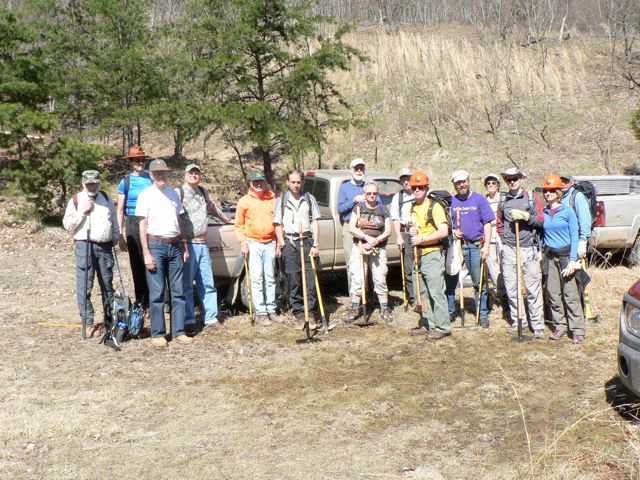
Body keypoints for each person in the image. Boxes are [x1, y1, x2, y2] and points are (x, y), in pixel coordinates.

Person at [136, 159, 192, 347]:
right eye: (157, 173)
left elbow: (179, 220)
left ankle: (179, 331)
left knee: (178, 292)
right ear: (151, 175)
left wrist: (184, 245)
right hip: (156, 245)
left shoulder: (174, 194)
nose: (160, 176)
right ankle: (158, 333)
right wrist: (146, 253)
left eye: (163, 172)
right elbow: (142, 225)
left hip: (175, 245)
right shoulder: (145, 195)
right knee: (157, 292)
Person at [178, 164, 232, 334]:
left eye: (197, 173)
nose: (194, 175)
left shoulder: (202, 191)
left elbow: (212, 208)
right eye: (191, 172)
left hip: (202, 243)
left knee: (208, 283)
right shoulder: (178, 193)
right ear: (185, 174)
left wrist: (226, 219)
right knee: (186, 285)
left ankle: (210, 318)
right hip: (188, 243)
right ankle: (189, 320)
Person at [273, 170, 330, 330]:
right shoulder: (282, 200)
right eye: (293, 182)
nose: (296, 185)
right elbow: (277, 224)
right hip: (290, 243)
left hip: (307, 241)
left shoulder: (309, 199)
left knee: (310, 280)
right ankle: (298, 313)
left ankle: (310, 313)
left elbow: (315, 222)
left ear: (302, 183)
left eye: (298, 182)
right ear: (288, 182)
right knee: (294, 280)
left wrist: (316, 244)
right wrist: (282, 242)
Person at [63, 170, 119, 332]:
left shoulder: (106, 198)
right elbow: (68, 226)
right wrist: (82, 212)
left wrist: (116, 235)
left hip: (105, 246)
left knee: (107, 285)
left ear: (99, 182)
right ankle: (88, 322)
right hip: (84, 246)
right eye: (89, 184)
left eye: (94, 183)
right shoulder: (76, 200)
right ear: (83, 184)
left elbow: (113, 219)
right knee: (85, 286)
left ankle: (109, 322)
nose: (92, 186)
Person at [496, 167, 545, 337]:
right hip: (510, 248)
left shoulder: (532, 198)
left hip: (529, 248)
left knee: (533, 288)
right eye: (508, 179)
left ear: (520, 179)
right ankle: (519, 321)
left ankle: (537, 326)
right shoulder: (503, 200)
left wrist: (526, 217)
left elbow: (541, 221)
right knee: (512, 288)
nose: (511, 181)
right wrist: (505, 239)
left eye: (514, 178)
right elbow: (499, 223)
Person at [445, 170, 494, 328]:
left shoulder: (479, 200)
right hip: (457, 246)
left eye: (463, 181)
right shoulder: (451, 202)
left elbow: (487, 223)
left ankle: (483, 313)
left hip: (475, 245)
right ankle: (451, 311)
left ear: (468, 181)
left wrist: (486, 246)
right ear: (454, 185)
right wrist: (453, 232)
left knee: (478, 281)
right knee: (451, 280)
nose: (461, 185)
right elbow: (446, 225)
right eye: (458, 183)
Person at [541, 174, 585, 344]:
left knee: (570, 294)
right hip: (550, 257)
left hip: (567, 257)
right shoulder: (544, 212)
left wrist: (573, 261)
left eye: (552, 190)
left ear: (559, 192)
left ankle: (577, 329)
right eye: (546, 191)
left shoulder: (568, 212)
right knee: (553, 293)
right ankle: (560, 325)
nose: (548, 194)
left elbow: (575, 236)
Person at [408, 171, 451, 340]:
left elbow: (444, 231)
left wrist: (422, 239)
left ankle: (443, 327)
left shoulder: (435, 206)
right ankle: (429, 324)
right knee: (423, 292)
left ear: (426, 188)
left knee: (436, 292)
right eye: (414, 187)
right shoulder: (413, 207)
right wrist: (412, 231)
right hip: (418, 254)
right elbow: (416, 228)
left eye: (420, 187)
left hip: (432, 253)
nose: (417, 190)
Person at [346, 181, 393, 323]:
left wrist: (376, 240)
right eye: (369, 193)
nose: (372, 196)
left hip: (378, 247)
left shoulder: (383, 209)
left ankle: (384, 308)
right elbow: (351, 228)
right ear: (364, 195)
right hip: (360, 246)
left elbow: (388, 230)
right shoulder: (358, 208)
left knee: (380, 277)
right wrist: (365, 238)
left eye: (374, 193)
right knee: (358, 278)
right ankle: (355, 308)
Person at [235, 172, 277, 326]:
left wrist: (279, 242)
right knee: (257, 278)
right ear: (250, 184)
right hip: (253, 242)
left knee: (270, 277)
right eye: (255, 182)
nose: (258, 185)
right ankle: (260, 312)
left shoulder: (272, 199)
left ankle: (271, 309)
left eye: (261, 181)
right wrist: (243, 243)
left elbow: (278, 222)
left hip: (270, 242)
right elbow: (238, 225)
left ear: (265, 182)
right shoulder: (244, 202)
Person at [116, 145, 152, 312]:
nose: (140, 163)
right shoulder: (126, 181)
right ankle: (141, 302)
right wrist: (120, 233)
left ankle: (155, 301)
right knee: (137, 263)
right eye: (136, 160)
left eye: (142, 160)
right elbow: (120, 209)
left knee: (152, 261)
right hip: (132, 221)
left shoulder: (150, 178)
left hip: (151, 221)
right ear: (130, 162)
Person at [337, 158, 367, 292]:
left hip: (366, 227)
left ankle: (367, 295)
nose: (359, 171)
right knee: (352, 262)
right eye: (357, 168)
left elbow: (378, 203)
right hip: (349, 227)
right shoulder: (344, 187)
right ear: (352, 170)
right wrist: (354, 201)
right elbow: (340, 209)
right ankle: (354, 296)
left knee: (366, 261)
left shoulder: (368, 187)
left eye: (361, 168)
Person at [390, 167, 416, 308]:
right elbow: (395, 219)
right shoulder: (397, 197)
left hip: (421, 234)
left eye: (408, 178)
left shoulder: (422, 192)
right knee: (408, 267)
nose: (406, 182)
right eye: (403, 179)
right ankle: (412, 298)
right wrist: (398, 237)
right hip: (406, 234)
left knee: (423, 266)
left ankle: (422, 294)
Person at [483, 173, 506, 309]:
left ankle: (507, 294)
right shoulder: (483, 200)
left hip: (502, 236)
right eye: (488, 183)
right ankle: (500, 293)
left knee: (505, 265)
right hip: (489, 237)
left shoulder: (503, 199)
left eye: (493, 183)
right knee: (492, 267)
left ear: (498, 185)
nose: (491, 185)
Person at [559, 175, 592, 259]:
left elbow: (585, 219)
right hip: (562, 241)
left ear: (572, 182)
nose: (563, 183)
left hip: (575, 241)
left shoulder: (577, 197)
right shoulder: (558, 196)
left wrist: (583, 240)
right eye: (561, 181)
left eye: (566, 181)